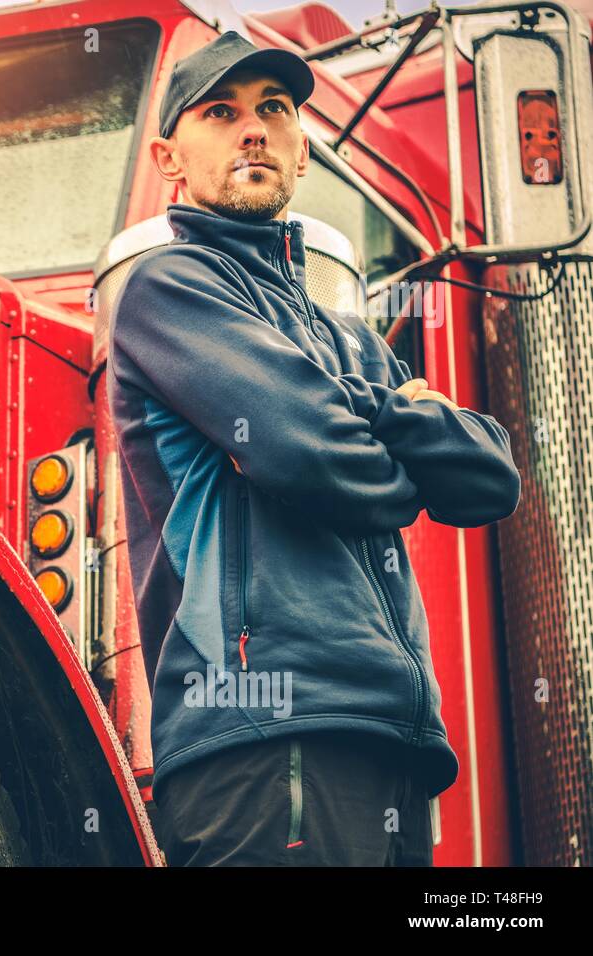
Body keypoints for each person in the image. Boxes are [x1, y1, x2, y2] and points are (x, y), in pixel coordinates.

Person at [106, 31, 521, 866]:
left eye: (275, 111)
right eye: (220, 113)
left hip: (392, 735)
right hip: (263, 731)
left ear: (302, 154)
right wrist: (396, 417)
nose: (252, 129)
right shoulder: (170, 289)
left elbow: (489, 478)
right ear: (169, 157)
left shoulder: (347, 334)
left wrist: (353, 405)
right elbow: (315, 458)